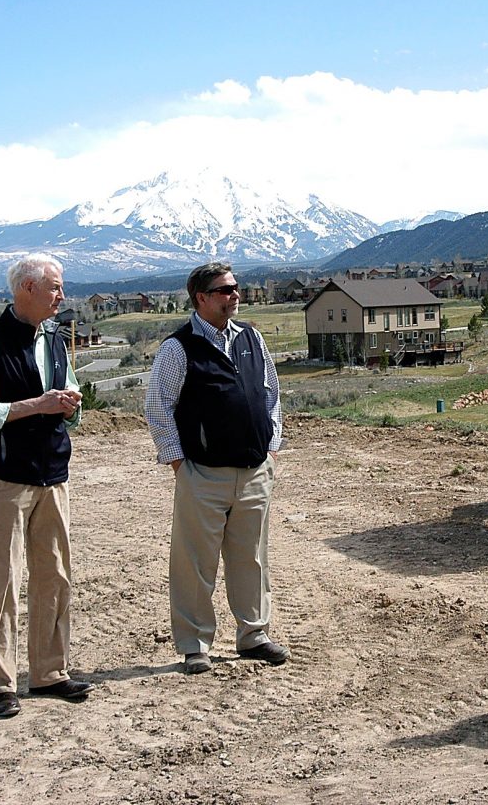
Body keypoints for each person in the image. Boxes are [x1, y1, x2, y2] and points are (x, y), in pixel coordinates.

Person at [0, 253, 93, 718]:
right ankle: (0, 683)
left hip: (53, 475)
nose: (61, 296)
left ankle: (49, 673)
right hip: (6, 478)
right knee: (4, 581)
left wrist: (71, 405)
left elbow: (67, 395)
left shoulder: (55, 339)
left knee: (54, 575)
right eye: (55, 287)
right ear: (27, 289)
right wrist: (35, 405)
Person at [145, 262, 288, 675]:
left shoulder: (251, 338)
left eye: (235, 287)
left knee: (252, 558)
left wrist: (271, 448)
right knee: (195, 565)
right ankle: (195, 645)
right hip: (203, 474)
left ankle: (253, 634)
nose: (235, 295)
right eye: (225, 290)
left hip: (255, 471)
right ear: (202, 298)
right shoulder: (178, 348)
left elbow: (271, 395)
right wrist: (179, 464)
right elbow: (158, 408)